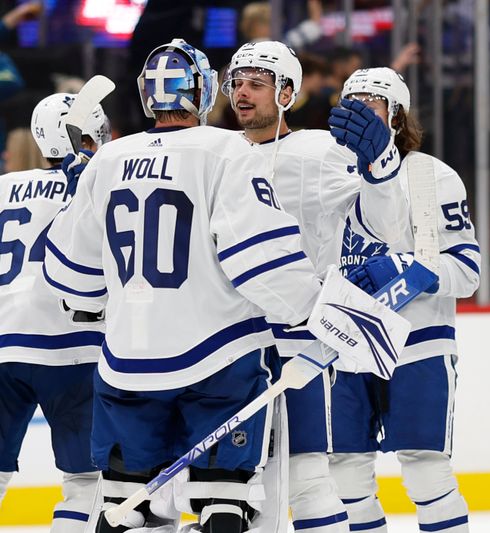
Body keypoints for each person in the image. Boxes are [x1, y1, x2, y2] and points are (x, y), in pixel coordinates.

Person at [44, 39, 323, 533]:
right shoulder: (227, 150)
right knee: (222, 499)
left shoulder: (107, 162)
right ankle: (220, 508)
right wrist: (314, 308)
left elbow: (70, 276)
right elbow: (260, 261)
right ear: (206, 90)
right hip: (218, 360)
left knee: (124, 504)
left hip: (127, 362)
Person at [223, 40, 407, 533]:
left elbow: (387, 228)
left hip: (298, 342)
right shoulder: (215, 155)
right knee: (234, 485)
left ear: (287, 92)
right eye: (236, 82)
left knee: (307, 477)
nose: (242, 93)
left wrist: (381, 169)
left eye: (256, 84)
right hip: (227, 349)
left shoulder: (320, 153)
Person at [328, 67, 481, 533]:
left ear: (396, 115)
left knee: (424, 472)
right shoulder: (326, 172)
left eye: (371, 103)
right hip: (345, 343)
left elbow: (467, 272)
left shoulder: (432, 176)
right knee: (345, 476)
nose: (359, 111)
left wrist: (411, 270)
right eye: (351, 102)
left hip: (418, 344)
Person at [0, 93, 109, 532]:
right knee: (84, 480)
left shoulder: (3, 186)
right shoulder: (96, 182)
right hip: (71, 347)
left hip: (3, 340)